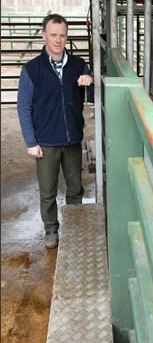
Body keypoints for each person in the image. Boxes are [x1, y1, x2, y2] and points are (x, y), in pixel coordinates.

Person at [17, 13, 93, 249]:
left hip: (71, 139)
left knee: (75, 188)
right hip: (46, 142)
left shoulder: (79, 65)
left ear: (66, 36)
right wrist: (31, 141)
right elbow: (23, 107)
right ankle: (51, 229)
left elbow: (91, 98)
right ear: (44, 36)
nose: (58, 40)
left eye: (62, 35)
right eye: (53, 35)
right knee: (48, 190)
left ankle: (75, 224)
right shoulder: (32, 70)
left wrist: (90, 80)